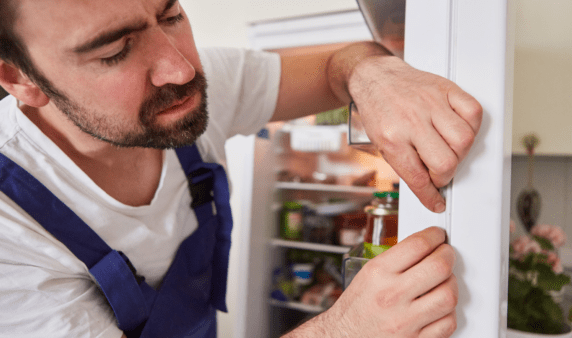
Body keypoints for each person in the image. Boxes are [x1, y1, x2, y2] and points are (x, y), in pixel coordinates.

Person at [0, 0, 482, 337]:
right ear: (20, 79)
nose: (181, 69)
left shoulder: (196, 86)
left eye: (171, 15)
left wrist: (374, 74)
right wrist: (345, 330)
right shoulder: (9, 221)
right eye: (114, 52)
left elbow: (341, 61)